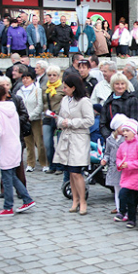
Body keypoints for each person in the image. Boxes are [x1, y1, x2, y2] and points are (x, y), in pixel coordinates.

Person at [0, 85, 36, 216]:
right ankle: (27, 199)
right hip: (15, 143)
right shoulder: (12, 107)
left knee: (7, 177)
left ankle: (8, 207)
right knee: (11, 175)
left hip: (6, 146)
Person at [53, 74, 94, 215]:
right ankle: (74, 200)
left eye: (66, 87)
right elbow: (59, 116)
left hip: (79, 139)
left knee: (77, 172)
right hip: (66, 138)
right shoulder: (65, 100)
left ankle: (83, 200)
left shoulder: (84, 101)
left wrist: (71, 123)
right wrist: (60, 122)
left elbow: (89, 120)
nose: (63, 90)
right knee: (70, 172)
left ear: (73, 88)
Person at [114, 119, 138, 228]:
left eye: (127, 131)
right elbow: (118, 158)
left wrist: (129, 165)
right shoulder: (122, 145)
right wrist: (120, 165)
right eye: (123, 131)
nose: (124, 133)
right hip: (125, 175)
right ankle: (131, 219)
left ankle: (122, 211)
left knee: (124, 194)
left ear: (134, 132)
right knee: (129, 199)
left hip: (135, 176)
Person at [16, 71, 46, 172]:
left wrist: (31, 115)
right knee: (28, 143)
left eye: (27, 78)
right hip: (25, 121)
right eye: (23, 78)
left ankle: (44, 163)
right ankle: (30, 163)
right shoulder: (19, 91)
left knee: (39, 142)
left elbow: (40, 105)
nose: (25, 80)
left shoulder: (37, 90)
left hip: (36, 119)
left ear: (32, 79)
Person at [102, 114, 127, 215]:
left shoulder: (126, 139)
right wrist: (105, 159)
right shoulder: (110, 140)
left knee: (125, 190)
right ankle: (119, 208)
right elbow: (107, 153)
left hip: (124, 168)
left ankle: (125, 208)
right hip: (114, 168)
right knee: (117, 190)